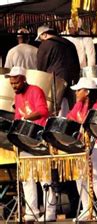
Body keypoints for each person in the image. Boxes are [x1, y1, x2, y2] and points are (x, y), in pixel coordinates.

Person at [6, 66, 56, 221]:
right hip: (25, 139)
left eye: (16, 82)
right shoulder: (17, 96)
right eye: (12, 83)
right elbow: (17, 116)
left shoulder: (35, 91)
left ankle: (50, 212)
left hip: (38, 137)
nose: (13, 86)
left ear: (23, 79)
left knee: (44, 177)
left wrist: (25, 119)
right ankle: (31, 211)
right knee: (27, 177)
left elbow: (43, 111)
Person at [67, 77, 97, 221]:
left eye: (78, 90)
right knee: (80, 176)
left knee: (94, 175)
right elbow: (70, 119)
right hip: (90, 145)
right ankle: (87, 210)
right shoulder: (79, 105)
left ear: (87, 92)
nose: (76, 93)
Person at [36, 25, 80, 114]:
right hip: (71, 83)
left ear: (44, 34)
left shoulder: (46, 44)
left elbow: (41, 68)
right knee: (68, 110)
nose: (41, 41)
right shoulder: (70, 44)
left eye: (40, 38)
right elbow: (77, 66)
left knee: (54, 111)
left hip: (55, 82)